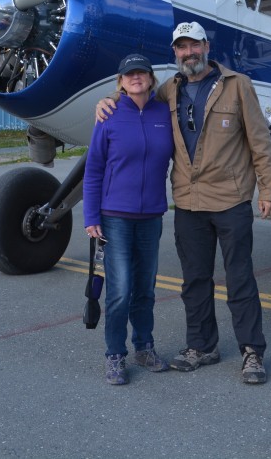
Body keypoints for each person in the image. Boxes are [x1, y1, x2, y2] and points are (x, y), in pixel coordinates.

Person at [97, 22, 271, 384]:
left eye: (193, 45)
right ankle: (202, 346)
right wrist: (110, 99)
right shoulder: (170, 89)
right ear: (176, 53)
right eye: (181, 48)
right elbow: (136, 96)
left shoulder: (238, 85)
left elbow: (261, 142)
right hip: (188, 202)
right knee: (195, 281)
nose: (188, 53)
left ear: (206, 46)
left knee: (239, 279)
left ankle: (252, 352)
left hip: (230, 200)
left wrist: (269, 190)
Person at [83, 53, 174, 385]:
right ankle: (114, 356)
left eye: (141, 73)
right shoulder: (108, 115)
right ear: (120, 82)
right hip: (115, 217)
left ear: (150, 79)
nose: (136, 78)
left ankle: (144, 347)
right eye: (129, 74)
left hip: (151, 216)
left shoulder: (164, 114)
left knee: (145, 289)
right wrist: (91, 216)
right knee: (120, 290)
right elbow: (93, 170)